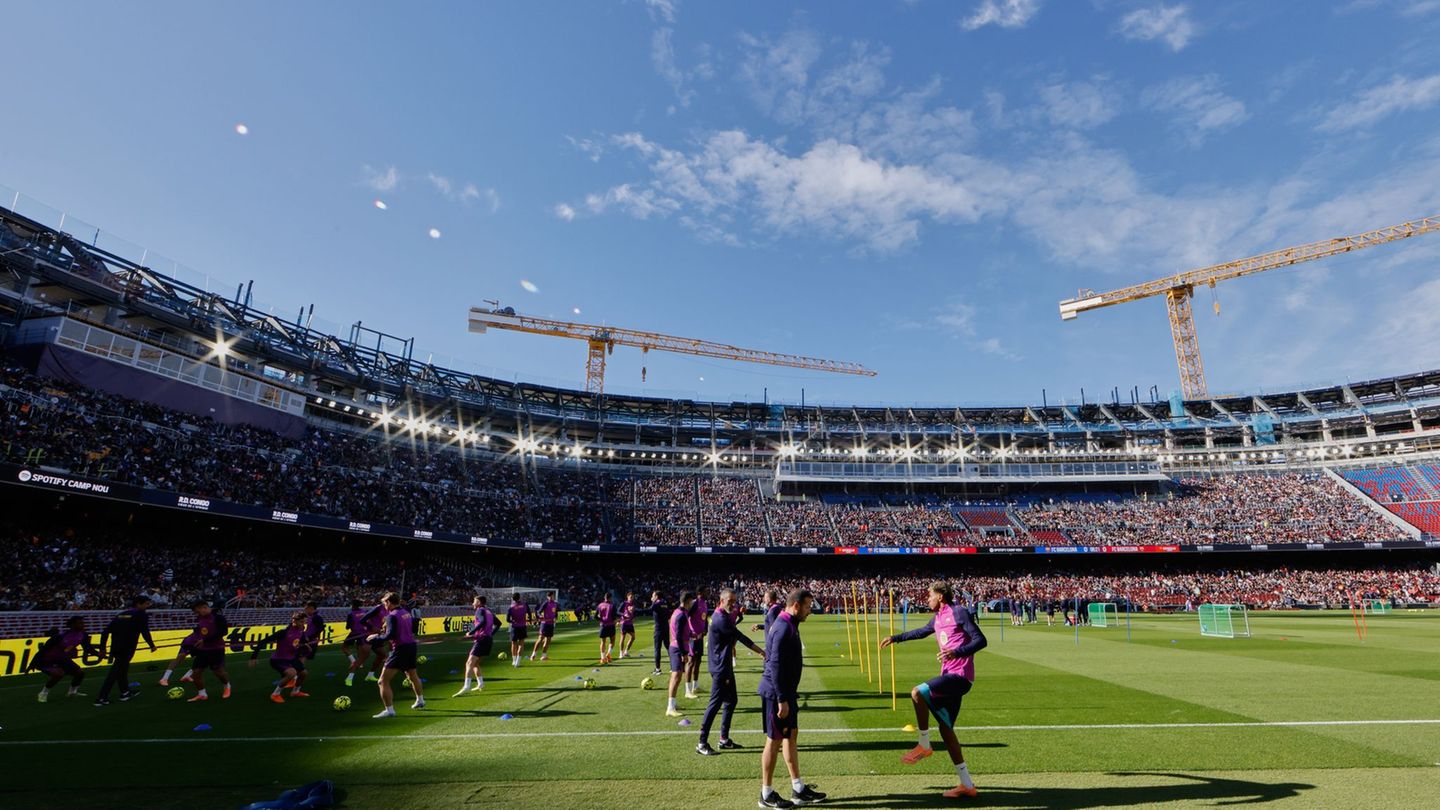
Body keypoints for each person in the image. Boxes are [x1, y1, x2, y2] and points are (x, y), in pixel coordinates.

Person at [880, 581, 989, 800]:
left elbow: (981, 640)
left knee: (917, 692)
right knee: (947, 730)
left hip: (960, 677)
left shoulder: (958, 612)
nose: (926, 598)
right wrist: (895, 638)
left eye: (930, 595)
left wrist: (956, 653)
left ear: (940, 596)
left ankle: (923, 744)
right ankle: (967, 784)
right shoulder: (938, 618)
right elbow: (922, 632)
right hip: (949, 676)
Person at [757, 588, 825, 808]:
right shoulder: (783, 627)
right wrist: (781, 699)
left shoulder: (790, 624)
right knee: (773, 740)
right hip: (776, 694)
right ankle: (766, 794)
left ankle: (798, 788)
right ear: (795, 605)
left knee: (790, 736)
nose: (809, 611)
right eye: (807, 607)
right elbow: (774, 664)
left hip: (786, 693)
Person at [696, 588, 762, 757]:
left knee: (731, 701)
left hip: (723, 665)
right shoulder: (720, 619)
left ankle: (723, 739)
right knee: (715, 703)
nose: (733, 604)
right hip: (720, 668)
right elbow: (740, 636)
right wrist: (762, 652)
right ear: (721, 600)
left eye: (734, 601)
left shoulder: (723, 615)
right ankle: (702, 742)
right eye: (730, 601)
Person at [369, 592, 424, 718]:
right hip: (411, 646)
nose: (384, 606)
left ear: (389, 602)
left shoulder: (392, 616)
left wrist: (375, 637)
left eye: (385, 603)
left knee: (382, 681)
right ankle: (420, 700)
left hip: (400, 649)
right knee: (412, 675)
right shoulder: (405, 612)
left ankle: (389, 710)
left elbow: (389, 636)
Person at [95, 596, 157, 706]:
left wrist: (102, 648)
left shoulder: (121, 614)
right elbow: (144, 631)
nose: (148, 606)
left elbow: (105, 632)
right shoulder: (141, 614)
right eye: (146, 604)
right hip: (127, 647)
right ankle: (101, 698)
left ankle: (125, 692)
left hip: (116, 647)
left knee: (122, 670)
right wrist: (151, 645)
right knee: (115, 672)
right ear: (138, 604)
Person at [31, 616, 102, 703]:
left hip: (63, 659)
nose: (83, 625)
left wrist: (98, 654)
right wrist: (33, 663)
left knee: (79, 673)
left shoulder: (83, 635)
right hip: (49, 659)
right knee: (58, 674)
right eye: (80, 623)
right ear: (72, 625)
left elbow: (88, 648)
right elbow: (43, 650)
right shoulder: (60, 636)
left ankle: (72, 692)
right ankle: (43, 693)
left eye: (83, 623)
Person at [249, 612, 313, 703]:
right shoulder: (283, 632)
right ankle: (275, 694)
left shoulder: (301, 631)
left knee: (304, 673)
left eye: (304, 622)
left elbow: (300, 641)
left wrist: (306, 646)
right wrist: (253, 656)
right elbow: (263, 641)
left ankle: (295, 692)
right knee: (292, 673)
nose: (303, 624)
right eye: (301, 622)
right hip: (278, 660)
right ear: (294, 621)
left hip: (291, 658)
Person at [183, 600, 231, 702]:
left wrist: (204, 640)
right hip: (203, 650)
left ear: (204, 607)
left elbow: (224, 632)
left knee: (218, 672)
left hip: (216, 649)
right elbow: (199, 633)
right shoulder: (200, 619)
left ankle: (227, 685)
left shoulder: (218, 617)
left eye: (198, 611)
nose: (197, 613)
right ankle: (202, 694)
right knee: (196, 672)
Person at [456, 595, 497, 696]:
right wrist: (490, 634)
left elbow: (482, 622)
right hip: (488, 640)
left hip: (482, 640)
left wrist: (471, 632)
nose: (472, 603)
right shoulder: (488, 611)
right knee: (475, 663)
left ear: (478, 602)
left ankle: (467, 686)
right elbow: (498, 623)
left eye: (474, 601)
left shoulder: (479, 610)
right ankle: (480, 683)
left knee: (469, 663)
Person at [665, 591, 696, 718]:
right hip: (678, 648)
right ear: (687, 601)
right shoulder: (682, 615)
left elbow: (679, 631)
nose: (693, 603)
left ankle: (673, 704)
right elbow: (677, 634)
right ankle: (670, 707)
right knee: (676, 676)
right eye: (692, 601)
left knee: (676, 677)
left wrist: (690, 635)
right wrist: (684, 652)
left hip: (677, 646)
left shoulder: (678, 612)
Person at [686, 586, 710, 699]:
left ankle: (695, 686)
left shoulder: (705, 603)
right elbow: (685, 616)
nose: (708, 593)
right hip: (693, 638)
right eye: (706, 591)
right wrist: (689, 633)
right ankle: (687, 690)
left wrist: (705, 629)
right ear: (700, 592)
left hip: (700, 638)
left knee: (698, 661)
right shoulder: (694, 603)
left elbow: (704, 619)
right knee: (691, 662)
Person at [530, 592, 559, 661]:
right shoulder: (545, 603)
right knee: (540, 639)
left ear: (553, 596)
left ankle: (544, 656)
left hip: (551, 624)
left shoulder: (555, 604)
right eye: (549, 596)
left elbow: (555, 612)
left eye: (551, 596)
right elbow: (539, 611)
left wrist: (555, 617)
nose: (550, 597)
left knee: (548, 640)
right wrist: (541, 616)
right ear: (547, 597)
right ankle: (533, 654)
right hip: (545, 624)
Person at [649, 589, 669, 676]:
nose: (651, 597)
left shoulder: (656, 603)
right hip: (665, 628)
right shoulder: (664, 603)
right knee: (668, 647)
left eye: (653, 596)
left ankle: (658, 669)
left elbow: (648, 610)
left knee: (657, 649)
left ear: (656, 597)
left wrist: (633, 610)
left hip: (658, 629)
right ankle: (674, 666)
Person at [506, 593, 528, 668]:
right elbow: (529, 613)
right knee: (521, 644)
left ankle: (514, 660)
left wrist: (513, 621)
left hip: (514, 627)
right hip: (522, 626)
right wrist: (529, 620)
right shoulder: (524, 605)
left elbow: (507, 620)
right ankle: (518, 662)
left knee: (513, 644)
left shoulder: (511, 607)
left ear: (512, 599)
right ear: (519, 597)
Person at [597, 593, 617, 664]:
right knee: (612, 641)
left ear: (604, 597)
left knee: (603, 642)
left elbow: (595, 616)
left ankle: (602, 658)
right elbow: (614, 617)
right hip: (611, 625)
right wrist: (616, 621)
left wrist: (601, 620)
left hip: (603, 626)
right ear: (610, 598)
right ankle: (608, 654)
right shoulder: (612, 606)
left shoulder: (600, 605)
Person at [618, 592, 637, 659]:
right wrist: (623, 615)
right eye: (630, 597)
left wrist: (633, 618)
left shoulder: (633, 604)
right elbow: (618, 611)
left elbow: (633, 613)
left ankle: (626, 652)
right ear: (627, 597)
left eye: (632, 597)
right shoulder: (624, 603)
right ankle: (620, 653)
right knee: (622, 638)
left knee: (633, 637)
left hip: (630, 623)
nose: (632, 598)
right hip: (624, 623)